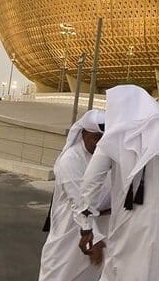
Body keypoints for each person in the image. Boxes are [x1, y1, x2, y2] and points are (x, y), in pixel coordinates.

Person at [76, 85, 159, 280]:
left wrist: (86, 224)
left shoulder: (116, 132)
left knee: (123, 270)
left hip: (133, 215)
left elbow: (92, 179)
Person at [39, 110, 109, 281]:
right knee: (59, 275)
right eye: (95, 138)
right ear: (83, 133)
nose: (98, 144)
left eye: (103, 139)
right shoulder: (71, 159)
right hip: (71, 229)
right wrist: (95, 238)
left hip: (97, 227)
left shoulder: (104, 157)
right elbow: (79, 202)